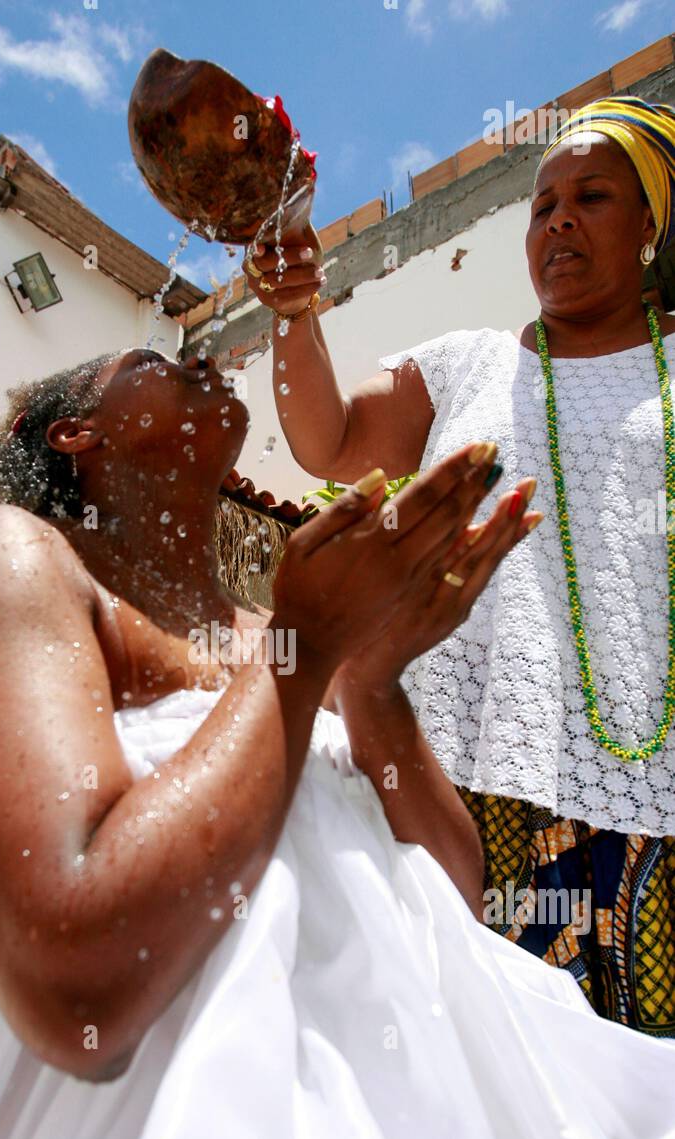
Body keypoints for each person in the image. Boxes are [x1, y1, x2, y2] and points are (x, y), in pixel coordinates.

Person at [0, 340, 675, 1139]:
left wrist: (373, 680)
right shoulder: (11, 557)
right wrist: (308, 668)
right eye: (149, 356)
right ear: (74, 431)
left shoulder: (286, 628)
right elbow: (76, 978)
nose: (199, 353)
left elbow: (456, 899)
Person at [245, 95, 675, 1037]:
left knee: (625, 1124)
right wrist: (292, 312)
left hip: (646, 806)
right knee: (449, 1081)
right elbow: (327, 442)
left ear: (652, 225)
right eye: (540, 202)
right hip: (447, 775)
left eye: (592, 197)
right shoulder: (468, 366)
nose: (556, 217)